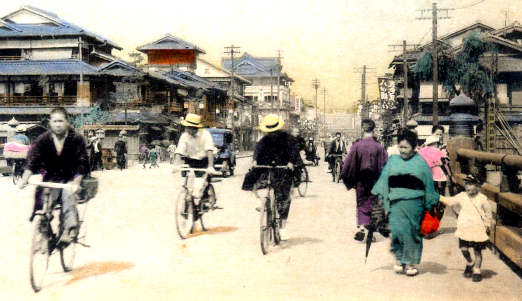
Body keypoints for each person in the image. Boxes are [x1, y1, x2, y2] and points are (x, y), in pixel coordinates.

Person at [371, 129, 439, 276]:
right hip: (395, 203)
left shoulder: (421, 162)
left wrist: (430, 203)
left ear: (414, 147)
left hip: (414, 203)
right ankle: (399, 259)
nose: (402, 150)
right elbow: (384, 180)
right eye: (400, 147)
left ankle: (410, 263)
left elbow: (428, 184)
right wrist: (379, 196)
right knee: (397, 232)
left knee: (411, 233)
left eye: (406, 147)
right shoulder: (393, 160)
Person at [19, 107, 89, 245]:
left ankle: (68, 230)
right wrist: (25, 179)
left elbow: (82, 163)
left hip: (71, 177)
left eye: (61, 121)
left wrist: (76, 183)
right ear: (50, 123)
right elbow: (32, 159)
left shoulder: (76, 139)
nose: (58, 124)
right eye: (55, 121)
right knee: (45, 199)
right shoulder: (44, 139)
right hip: (51, 178)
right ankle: (45, 229)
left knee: (68, 197)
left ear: (67, 122)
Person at [252, 115, 298, 240]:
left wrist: (290, 162)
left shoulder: (288, 139)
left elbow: (294, 151)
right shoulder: (264, 140)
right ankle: (260, 199)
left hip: (283, 168)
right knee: (253, 177)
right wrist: (255, 160)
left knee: (283, 198)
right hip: (268, 167)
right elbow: (258, 150)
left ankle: (282, 227)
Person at [439, 175, 492, 282]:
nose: (468, 187)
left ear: (477, 186)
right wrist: (438, 197)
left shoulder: (482, 199)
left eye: (471, 184)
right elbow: (450, 201)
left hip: (477, 229)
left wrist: (487, 225)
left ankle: (477, 270)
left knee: (477, 251)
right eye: (467, 184)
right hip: (464, 228)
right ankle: (469, 262)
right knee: (464, 249)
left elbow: (488, 213)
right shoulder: (462, 196)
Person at [342, 119, 388, 241]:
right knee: (373, 204)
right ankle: (370, 232)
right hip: (375, 181)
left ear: (362, 129)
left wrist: (349, 180)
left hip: (361, 180)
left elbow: (348, 165)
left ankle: (362, 228)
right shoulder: (379, 147)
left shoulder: (357, 146)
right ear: (374, 129)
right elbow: (385, 165)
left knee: (361, 203)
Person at [172, 114, 216, 200]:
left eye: (188, 127)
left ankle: (204, 198)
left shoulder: (205, 135)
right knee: (189, 186)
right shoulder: (185, 135)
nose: (187, 129)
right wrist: (175, 165)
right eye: (186, 127)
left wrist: (210, 166)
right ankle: (187, 205)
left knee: (199, 190)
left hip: (204, 161)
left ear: (195, 127)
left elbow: (209, 150)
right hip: (190, 160)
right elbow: (179, 150)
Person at [418, 135, 449, 220]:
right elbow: (443, 161)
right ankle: (438, 219)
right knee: (440, 200)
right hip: (439, 177)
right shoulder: (437, 151)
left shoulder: (420, 151)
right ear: (435, 143)